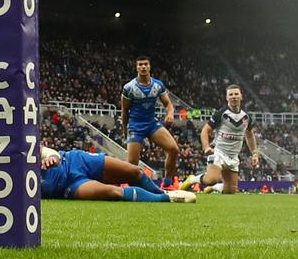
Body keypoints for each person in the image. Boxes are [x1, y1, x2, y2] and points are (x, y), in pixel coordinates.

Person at [39, 147, 196, 202]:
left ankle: (161, 191)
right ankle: (167, 198)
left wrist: (53, 158)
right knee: (112, 192)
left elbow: (47, 151)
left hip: (74, 161)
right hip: (67, 187)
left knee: (134, 172)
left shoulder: (21, 149)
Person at [182, 84, 259, 194]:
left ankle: (215, 188)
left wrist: (255, 153)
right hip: (218, 152)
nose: (234, 96)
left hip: (233, 157)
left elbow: (250, 135)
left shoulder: (246, 117)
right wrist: (206, 147)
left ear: (241, 96)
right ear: (227, 98)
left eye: (236, 94)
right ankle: (192, 179)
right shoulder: (221, 114)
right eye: (230, 94)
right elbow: (205, 130)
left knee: (230, 191)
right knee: (211, 179)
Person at [119, 56, 180, 188]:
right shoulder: (129, 87)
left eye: (146, 64)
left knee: (174, 149)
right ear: (136, 68)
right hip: (135, 126)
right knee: (132, 164)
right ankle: (128, 186)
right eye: (140, 64)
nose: (143, 67)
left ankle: (168, 183)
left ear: (149, 67)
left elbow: (168, 104)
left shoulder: (158, 85)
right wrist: (125, 131)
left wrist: (170, 113)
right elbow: (124, 111)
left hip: (152, 124)